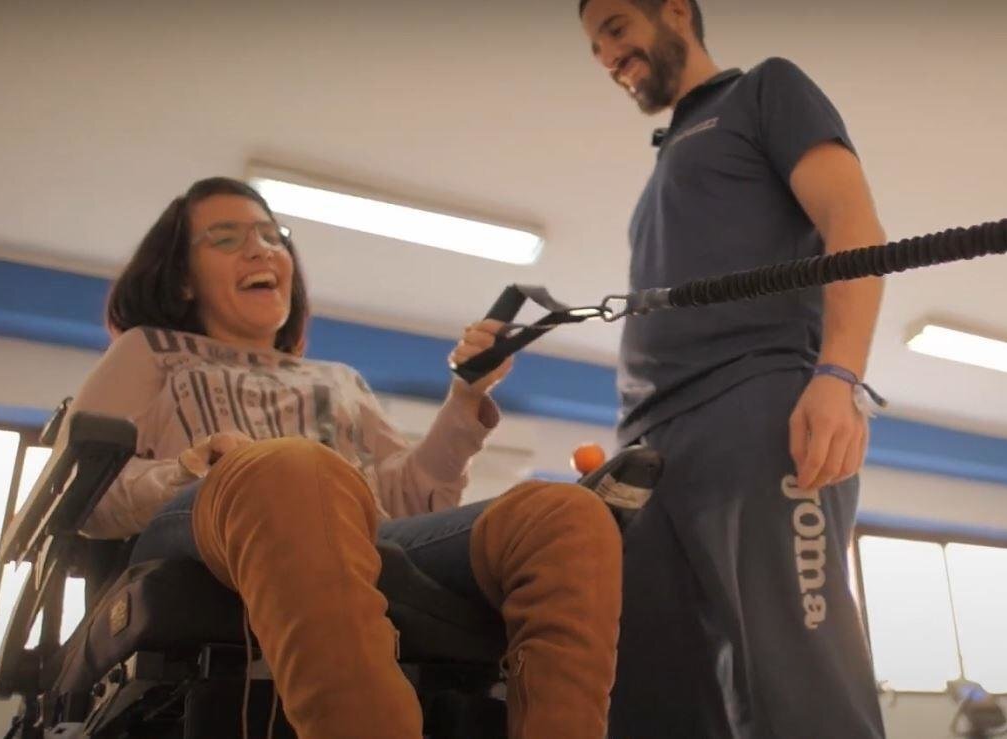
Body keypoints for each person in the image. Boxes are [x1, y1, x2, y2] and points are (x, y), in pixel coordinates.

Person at [67, 176, 622, 739]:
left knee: (564, 515)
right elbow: (83, 494)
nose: (261, 250)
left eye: (272, 237)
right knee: (293, 470)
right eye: (227, 238)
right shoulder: (148, 351)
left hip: (346, 529)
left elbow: (408, 499)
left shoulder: (339, 379)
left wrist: (466, 397)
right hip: (205, 528)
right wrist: (189, 467)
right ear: (184, 278)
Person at [578, 1, 888, 737]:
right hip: (646, 449)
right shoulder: (663, 169)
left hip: (754, 409)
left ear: (675, 12)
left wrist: (838, 376)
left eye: (616, 28)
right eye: (595, 47)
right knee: (652, 700)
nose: (608, 56)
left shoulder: (764, 91)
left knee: (796, 689)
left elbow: (852, 222)